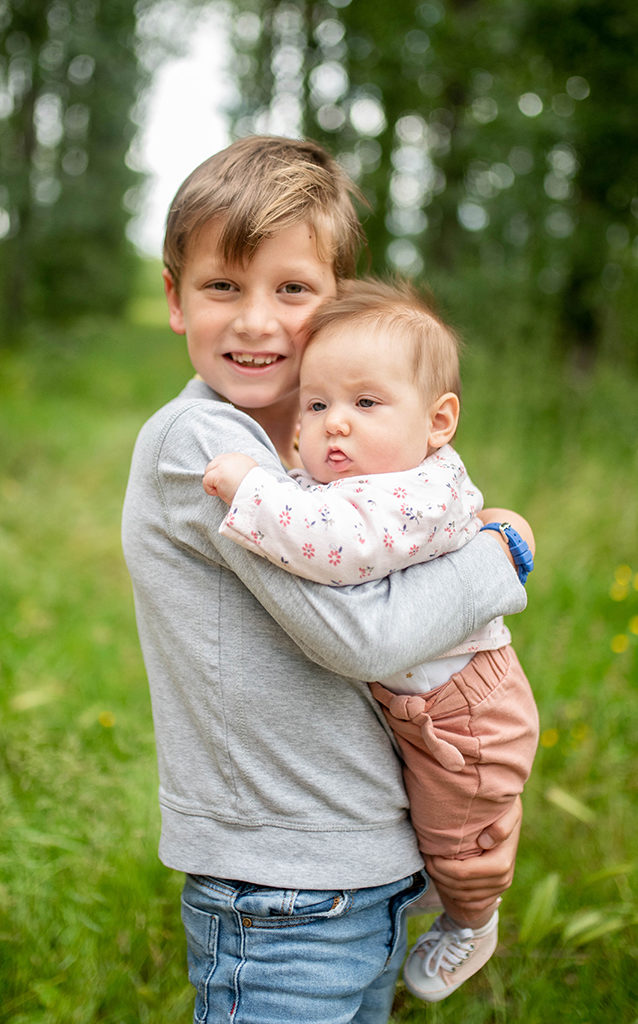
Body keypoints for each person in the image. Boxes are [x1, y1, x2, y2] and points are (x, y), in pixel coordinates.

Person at [122, 136, 530, 1024]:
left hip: (363, 864)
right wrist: (500, 555)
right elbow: (365, 636)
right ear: (175, 301)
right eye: (223, 286)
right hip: (277, 887)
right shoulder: (202, 447)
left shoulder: (319, 449)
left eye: (293, 289)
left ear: (339, 304)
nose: (257, 321)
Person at [202, 276, 539, 1003]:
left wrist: (253, 488)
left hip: (467, 711)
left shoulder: (421, 490)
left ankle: (471, 922)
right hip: (421, 701)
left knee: (463, 841)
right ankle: (426, 888)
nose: (335, 425)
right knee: (434, 818)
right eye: (317, 405)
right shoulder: (377, 476)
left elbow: (339, 546)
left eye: (365, 403)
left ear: (439, 421)